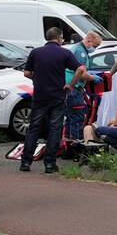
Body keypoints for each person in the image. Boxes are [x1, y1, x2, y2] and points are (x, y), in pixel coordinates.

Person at [20, 26, 88, 173]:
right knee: (55, 129)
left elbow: (26, 73)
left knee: (34, 128)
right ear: (59, 38)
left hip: (39, 96)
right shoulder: (65, 53)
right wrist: (71, 85)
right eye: (62, 38)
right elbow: (80, 69)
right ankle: (50, 164)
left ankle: (25, 162)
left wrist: (37, 78)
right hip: (57, 97)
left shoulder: (35, 52)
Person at [64, 31, 103, 141]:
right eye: (95, 45)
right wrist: (92, 78)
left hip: (71, 88)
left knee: (70, 117)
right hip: (75, 88)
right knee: (77, 117)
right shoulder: (80, 52)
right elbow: (81, 73)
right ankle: (76, 143)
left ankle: (68, 142)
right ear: (89, 40)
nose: (95, 48)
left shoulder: (77, 48)